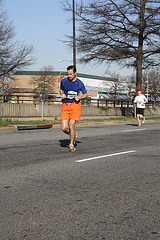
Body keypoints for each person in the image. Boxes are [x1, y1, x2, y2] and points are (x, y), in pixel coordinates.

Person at [60, 65, 88, 152]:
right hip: (65, 105)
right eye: (68, 74)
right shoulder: (64, 81)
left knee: (71, 125)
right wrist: (62, 95)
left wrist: (79, 98)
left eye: (71, 74)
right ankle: (73, 135)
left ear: (75, 73)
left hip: (75, 105)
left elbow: (85, 94)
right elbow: (61, 89)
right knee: (64, 128)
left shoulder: (79, 83)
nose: (69, 76)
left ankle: (71, 144)